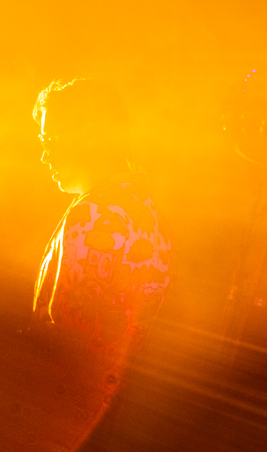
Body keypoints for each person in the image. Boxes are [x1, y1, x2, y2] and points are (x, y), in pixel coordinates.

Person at [32, 77, 171, 369]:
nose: (44, 156)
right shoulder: (145, 206)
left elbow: (64, 339)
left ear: (88, 135)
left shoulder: (93, 213)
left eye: (50, 140)